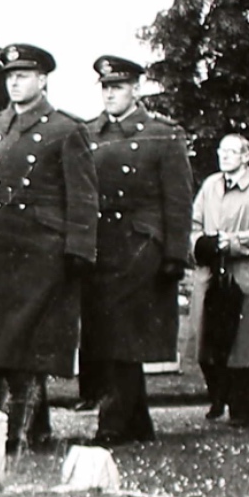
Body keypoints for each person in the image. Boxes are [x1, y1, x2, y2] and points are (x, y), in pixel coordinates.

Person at [0, 44, 98, 455]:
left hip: (43, 252)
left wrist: (78, 252)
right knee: (3, 345)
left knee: (29, 345)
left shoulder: (66, 130)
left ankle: (19, 434)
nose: (14, 81)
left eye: (23, 75)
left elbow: (83, 197)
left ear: (43, 80)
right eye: (9, 75)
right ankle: (30, 430)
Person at [81, 55, 193, 446]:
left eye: (119, 87)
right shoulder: (88, 133)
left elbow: (178, 198)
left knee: (121, 333)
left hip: (139, 242)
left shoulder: (162, 133)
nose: (111, 94)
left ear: (135, 90)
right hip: (99, 243)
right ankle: (138, 422)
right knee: (108, 332)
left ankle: (111, 423)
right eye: (106, 87)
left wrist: (175, 254)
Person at [191, 134, 249, 428]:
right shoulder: (210, 186)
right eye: (222, 151)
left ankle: (244, 411)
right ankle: (219, 398)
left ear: (246, 156)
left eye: (232, 152)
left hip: (248, 278)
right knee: (208, 340)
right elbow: (193, 224)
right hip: (213, 276)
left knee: (248, 346)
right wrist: (199, 244)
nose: (225, 156)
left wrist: (231, 242)